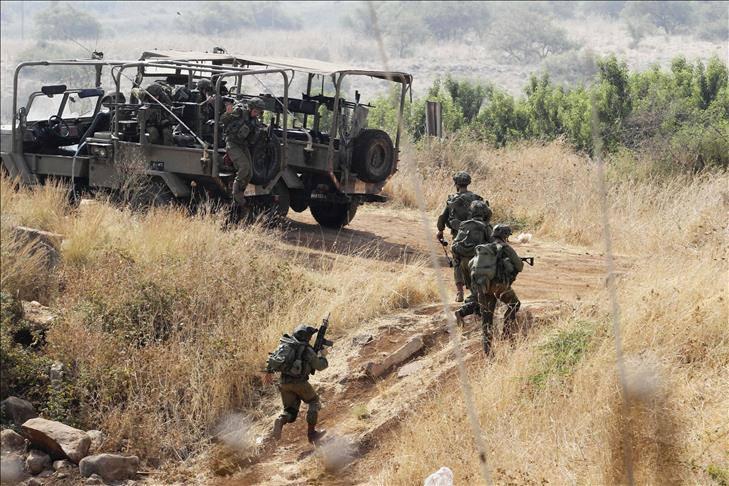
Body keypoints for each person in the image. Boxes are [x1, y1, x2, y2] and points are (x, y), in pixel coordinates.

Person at [264, 324, 328, 445]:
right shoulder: (307, 350)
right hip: (300, 383)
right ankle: (312, 434)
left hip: (284, 383)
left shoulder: (286, 344)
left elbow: (274, 360)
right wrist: (323, 355)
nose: (310, 338)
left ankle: (281, 419)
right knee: (313, 402)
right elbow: (320, 366)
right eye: (309, 336)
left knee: (290, 411)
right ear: (306, 337)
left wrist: (268, 371)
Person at [468, 224, 523, 354]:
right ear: (505, 236)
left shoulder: (484, 249)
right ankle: (506, 331)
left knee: (487, 319)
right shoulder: (505, 248)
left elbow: (471, 265)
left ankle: (488, 352)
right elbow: (519, 266)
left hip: (483, 286)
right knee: (515, 304)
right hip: (499, 286)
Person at [436, 171, 485, 302]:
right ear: (468, 183)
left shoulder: (452, 199)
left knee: (457, 262)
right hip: (476, 236)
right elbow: (486, 216)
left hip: (458, 235)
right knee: (476, 261)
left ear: (456, 184)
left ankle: (460, 292)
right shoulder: (477, 199)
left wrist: (440, 231)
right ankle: (476, 291)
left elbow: (442, 217)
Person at [451, 200, 493, 321]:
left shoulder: (464, 225)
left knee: (475, 290)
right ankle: (462, 312)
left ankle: (477, 314)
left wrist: (458, 261)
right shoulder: (485, 227)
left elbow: (455, 245)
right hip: (477, 264)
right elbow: (494, 245)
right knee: (480, 293)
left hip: (463, 263)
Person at [220, 97, 266, 205]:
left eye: (258, 112)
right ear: (250, 108)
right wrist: (228, 113)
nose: (256, 114)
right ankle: (235, 192)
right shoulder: (239, 112)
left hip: (243, 145)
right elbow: (223, 120)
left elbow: (253, 138)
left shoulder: (255, 121)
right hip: (232, 143)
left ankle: (241, 192)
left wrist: (262, 132)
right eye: (255, 111)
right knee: (244, 167)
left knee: (249, 173)